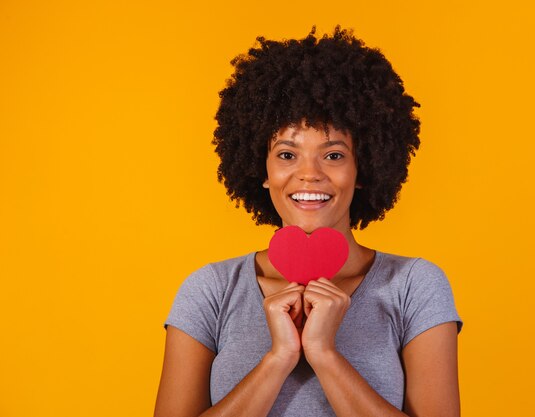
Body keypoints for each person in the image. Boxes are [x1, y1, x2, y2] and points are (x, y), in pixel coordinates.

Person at [154, 26, 463, 417]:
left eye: (333, 155)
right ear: (261, 169)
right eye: (287, 155)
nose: (309, 174)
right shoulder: (211, 291)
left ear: (361, 168)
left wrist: (324, 354)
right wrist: (279, 357)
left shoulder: (413, 287)